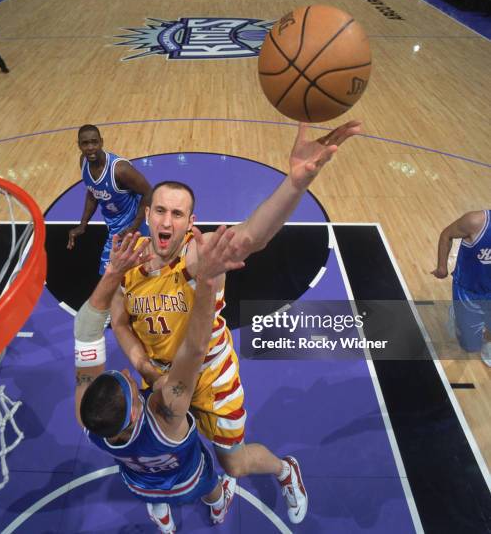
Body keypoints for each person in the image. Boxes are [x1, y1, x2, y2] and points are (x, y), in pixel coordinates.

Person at [111, 119, 361, 524]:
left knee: (235, 464)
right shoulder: (129, 259)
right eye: (160, 210)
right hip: (157, 374)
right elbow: (119, 323)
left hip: (211, 376)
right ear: (148, 214)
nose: (167, 221)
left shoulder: (199, 256)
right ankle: (161, 492)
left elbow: (250, 237)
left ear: (191, 222)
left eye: (178, 213)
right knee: (153, 445)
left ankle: (285, 470)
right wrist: (141, 364)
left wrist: (295, 183)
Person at [74, 228, 247, 532]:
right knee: (211, 486)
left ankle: (164, 521)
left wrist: (113, 272)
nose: (128, 373)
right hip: (189, 479)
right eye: (128, 382)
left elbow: (86, 334)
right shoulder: (169, 410)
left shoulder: (90, 423)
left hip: (141, 483)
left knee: (152, 494)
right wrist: (208, 283)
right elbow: (194, 350)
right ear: (137, 411)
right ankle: (218, 507)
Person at [67, 124, 152, 276]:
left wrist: (133, 227)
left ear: (101, 142)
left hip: (133, 226)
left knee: (111, 275)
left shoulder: (120, 169)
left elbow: (148, 193)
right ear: (79, 145)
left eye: (94, 142)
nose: (90, 147)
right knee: (127, 274)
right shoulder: (84, 162)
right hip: (114, 225)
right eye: (85, 143)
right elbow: (93, 192)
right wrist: (83, 225)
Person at [432, 210, 491, 366]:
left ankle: (488, 342)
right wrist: (442, 267)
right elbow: (446, 235)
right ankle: (457, 314)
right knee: (469, 346)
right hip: (468, 289)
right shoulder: (476, 222)